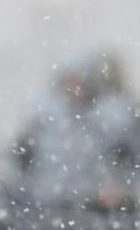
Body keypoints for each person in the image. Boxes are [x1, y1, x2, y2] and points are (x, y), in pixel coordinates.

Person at [13, 49, 140, 212]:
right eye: (71, 82)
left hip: (95, 208)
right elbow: (21, 158)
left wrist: (122, 190)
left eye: (80, 82)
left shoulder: (114, 120)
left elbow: (129, 161)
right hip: (45, 204)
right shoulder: (43, 118)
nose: (75, 89)